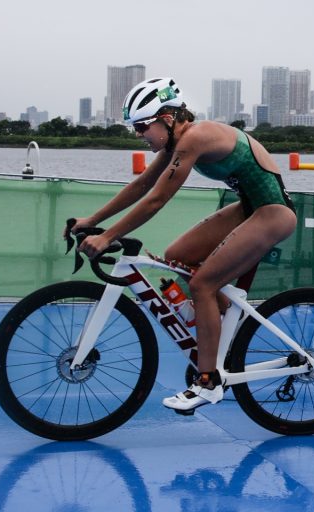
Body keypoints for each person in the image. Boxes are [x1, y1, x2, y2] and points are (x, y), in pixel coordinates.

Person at [68, 77, 297, 411]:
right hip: (250, 207)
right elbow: (142, 186)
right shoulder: (177, 142)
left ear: (167, 118)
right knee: (177, 257)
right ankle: (219, 319)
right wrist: (92, 220)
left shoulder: (196, 137)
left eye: (142, 126)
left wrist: (107, 236)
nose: (138, 135)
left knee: (202, 284)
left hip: (273, 213)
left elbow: (157, 199)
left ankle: (208, 382)